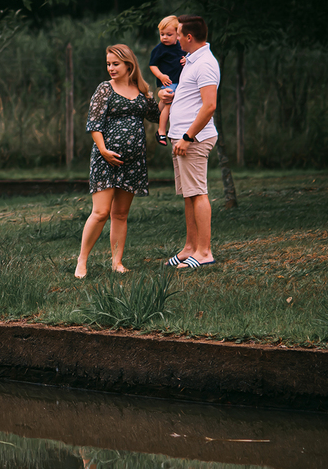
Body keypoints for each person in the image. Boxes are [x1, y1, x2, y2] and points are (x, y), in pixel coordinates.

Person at [74, 44, 162, 279]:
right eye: (108, 64)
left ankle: (117, 262)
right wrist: (103, 150)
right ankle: (82, 261)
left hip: (133, 162)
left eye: (115, 64)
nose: (111, 68)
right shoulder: (105, 89)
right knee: (101, 212)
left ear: (129, 65)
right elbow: (94, 123)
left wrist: (163, 97)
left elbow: (156, 115)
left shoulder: (141, 89)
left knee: (120, 214)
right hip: (106, 159)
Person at [159, 15, 220, 269]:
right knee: (188, 195)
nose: (174, 38)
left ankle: (204, 252)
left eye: (178, 33)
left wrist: (187, 137)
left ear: (188, 37)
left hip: (192, 139)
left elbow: (209, 106)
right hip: (180, 138)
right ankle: (190, 247)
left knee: (198, 193)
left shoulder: (206, 63)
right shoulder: (191, 61)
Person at [148, 15, 185, 146]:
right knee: (168, 103)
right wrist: (161, 76)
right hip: (168, 82)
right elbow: (152, 65)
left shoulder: (182, 46)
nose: (164, 37)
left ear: (178, 34)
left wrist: (186, 60)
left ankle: (164, 122)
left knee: (167, 105)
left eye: (169, 34)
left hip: (181, 82)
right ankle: (161, 131)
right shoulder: (159, 49)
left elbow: (189, 56)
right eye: (162, 34)